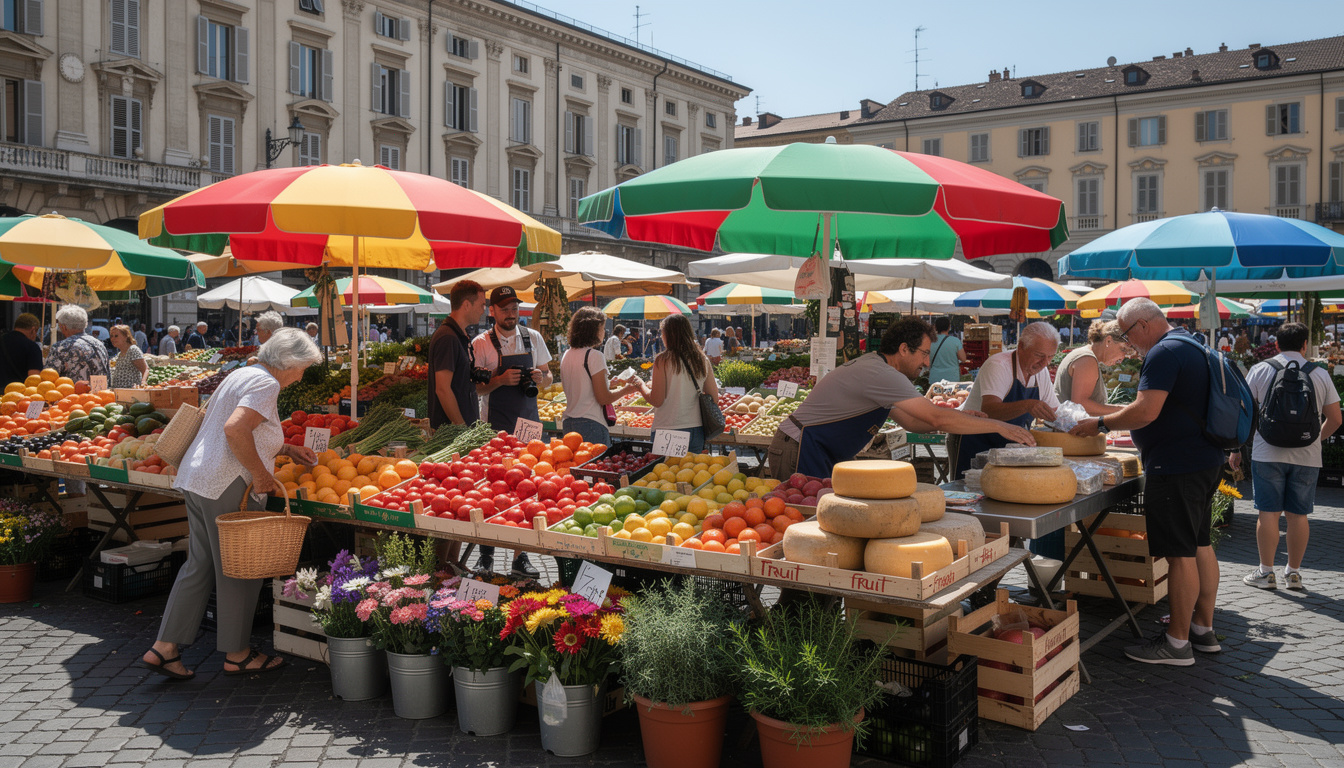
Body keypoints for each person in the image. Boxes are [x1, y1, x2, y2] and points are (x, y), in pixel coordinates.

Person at [140, 328, 323, 680]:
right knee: (242, 566)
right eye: (303, 368)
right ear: (290, 362)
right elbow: (235, 429)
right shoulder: (266, 384)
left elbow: (240, 428)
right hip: (228, 485)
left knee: (199, 564)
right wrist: (261, 475)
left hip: (198, 479)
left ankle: (165, 647)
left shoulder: (244, 372)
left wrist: (284, 450)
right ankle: (238, 654)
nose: (302, 376)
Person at [1071, 298, 1227, 665]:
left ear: (1142, 325)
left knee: (1180, 554)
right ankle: (1202, 630)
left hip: (1177, 466)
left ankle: (1176, 644)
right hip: (1203, 460)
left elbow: (1145, 410)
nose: (1129, 345)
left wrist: (1100, 424)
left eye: (1127, 335)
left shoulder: (1163, 353)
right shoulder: (1192, 343)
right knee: (1200, 544)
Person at [766, 318, 1034, 480]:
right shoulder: (880, 373)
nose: (927, 363)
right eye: (924, 354)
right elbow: (935, 416)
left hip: (813, 448)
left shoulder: (880, 370)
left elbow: (912, 422)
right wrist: (1000, 425)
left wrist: (964, 417)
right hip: (801, 446)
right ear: (904, 349)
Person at [1240, 322, 1341, 592]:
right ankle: (1294, 574)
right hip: (1307, 456)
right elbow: (1336, 418)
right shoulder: (1319, 374)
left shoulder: (1261, 370)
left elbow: (1244, 414)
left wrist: (1237, 449)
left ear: (1275, 344)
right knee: (1298, 515)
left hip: (1266, 452)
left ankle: (1265, 572)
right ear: (1304, 344)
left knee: (1268, 514)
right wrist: (1315, 440)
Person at [471, 286, 553, 578]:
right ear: (492, 311)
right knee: (490, 490)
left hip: (529, 424)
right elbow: (477, 388)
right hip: (494, 425)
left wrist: (542, 378)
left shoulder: (533, 337)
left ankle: (522, 556)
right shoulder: (480, 343)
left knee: (527, 491)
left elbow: (548, 375)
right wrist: (501, 380)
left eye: (514, 308)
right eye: (504, 309)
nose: (511, 314)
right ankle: (486, 554)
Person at [954, 321, 1061, 478]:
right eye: (1039, 355)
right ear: (1021, 346)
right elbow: (990, 410)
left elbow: (1055, 411)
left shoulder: (1041, 373)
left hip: (1008, 449)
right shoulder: (999, 365)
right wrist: (1027, 405)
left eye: (1050, 357)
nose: (1045, 363)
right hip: (975, 442)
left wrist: (1076, 423)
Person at [631, 314, 719, 453]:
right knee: (692, 472)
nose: (661, 337)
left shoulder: (663, 360)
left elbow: (657, 400)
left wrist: (641, 386)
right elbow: (714, 398)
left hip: (667, 430)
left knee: (666, 473)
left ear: (668, 335)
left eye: (662, 333)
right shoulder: (701, 359)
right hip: (695, 429)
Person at [559, 307, 644, 445]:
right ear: (592, 330)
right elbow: (604, 398)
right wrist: (626, 390)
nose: (604, 332)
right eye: (602, 328)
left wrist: (611, 383)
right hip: (591, 424)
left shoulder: (567, 354)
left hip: (569, 423)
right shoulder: (594, 356)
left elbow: (582, 385)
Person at [429, 280, 488, 428]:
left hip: (460, 430)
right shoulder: (448, 337)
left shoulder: (459, 335)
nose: (484, 310)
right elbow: (442, 389)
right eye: (481, 304)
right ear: (467, 305)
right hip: (452, 435)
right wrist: (461, 427)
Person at [1055, 320, 1128, 416]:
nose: (1123, 357)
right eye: (1123, 349)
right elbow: (1080, 404)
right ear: (1108, 340)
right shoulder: (1087, 360)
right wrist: (1124, 410)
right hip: (1068, 429)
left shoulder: (1085, 355)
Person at [44, 305, 111, 385]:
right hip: (101, 395)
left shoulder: (61, 347)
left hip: (72, 396)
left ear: (64, 327)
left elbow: (48, 378)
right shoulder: (100, 345)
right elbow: (108, 376)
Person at [0, 313, 43, 388]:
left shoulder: (2, 340)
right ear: (33, 330)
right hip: (19, 395)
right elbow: (34, 379)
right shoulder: (32, 347)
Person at [927, 317, 968, 385]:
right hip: (952, 378)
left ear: (935, 327)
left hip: (935, 378)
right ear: (949, 327)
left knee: (935, 395)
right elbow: (963, 359)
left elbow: (926, 362)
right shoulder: (955, 341)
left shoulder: (930, 342)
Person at [109, 325, 149, 389]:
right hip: (120, 393)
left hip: (131, 392)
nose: (112, 339)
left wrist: (143, 383)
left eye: (116, 336)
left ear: (125, 337)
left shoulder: (132, 350)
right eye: (111, 336)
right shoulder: (119, 354)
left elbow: (145, 369)